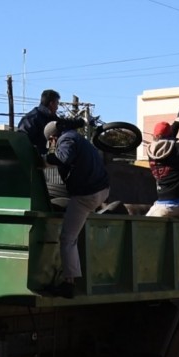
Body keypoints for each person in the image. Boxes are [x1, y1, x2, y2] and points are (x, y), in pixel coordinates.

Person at [42, 120, 110, 299]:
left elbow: (63, 158)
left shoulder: (66, 139)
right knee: (78, 225)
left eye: (50, 142)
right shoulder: (78, 138)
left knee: (67, 238)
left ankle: (68, 283)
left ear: (52, 137)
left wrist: (43, 160)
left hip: (86, 195)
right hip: (102, 190)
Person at [18, 89, 61, 155]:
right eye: (57, 104)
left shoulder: (53, 120)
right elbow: (22, 142)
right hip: (33, 160)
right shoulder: (31, 119)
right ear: (51, 104)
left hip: (46, 161)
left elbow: (52, 143)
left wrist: (51, 156)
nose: (57, 108)